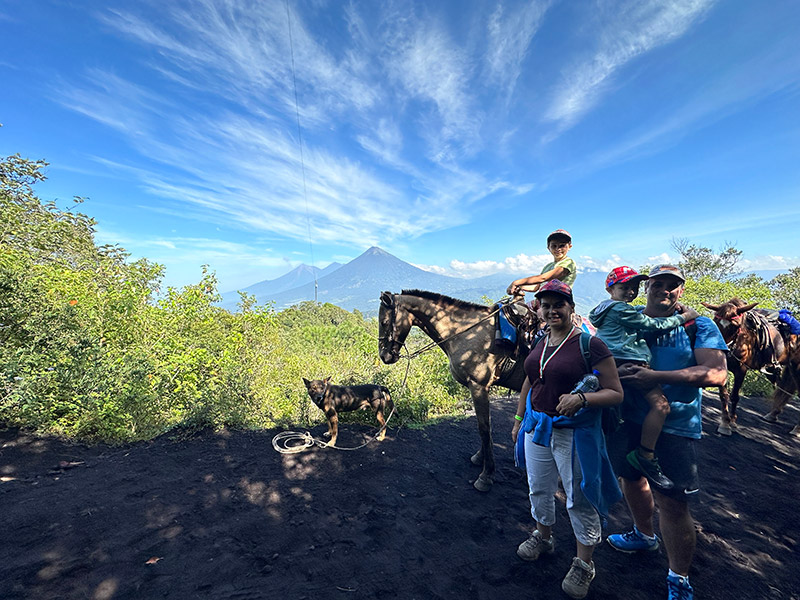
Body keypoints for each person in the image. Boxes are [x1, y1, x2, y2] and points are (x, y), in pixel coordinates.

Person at [605, 264, 727, 600]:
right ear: (647, 288)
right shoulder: (628, 319)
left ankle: (679, 576)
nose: (665, 290)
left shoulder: (698, 325)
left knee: (673, 502)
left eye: (673, 285)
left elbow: (717, 374)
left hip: (674, 426)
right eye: (658, 284)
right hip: (626, 418)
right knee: (631, 478)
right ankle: (643, 534)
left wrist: (655, 377)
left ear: (681, 290)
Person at [511, 280, 623, 600]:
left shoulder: (590, 345)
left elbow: (615, 392)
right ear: (540, 310)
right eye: (545, 305)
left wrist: (582, 400)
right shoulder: (541, 341)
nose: (551, 310)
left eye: (558, 304)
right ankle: (543, 536)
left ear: (571, 308)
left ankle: (584, 564)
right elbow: (530, 383)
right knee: (539, 487)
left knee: (577, 496)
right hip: (538, 427)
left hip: (573, 433)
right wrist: (519, 420)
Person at [588, 266, 700, 490]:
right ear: (610, 288)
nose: (630, 292)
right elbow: (651, 324)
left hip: (610, 361)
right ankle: (645, 455)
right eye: (624, 287)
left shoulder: (603, 308)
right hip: (628, 361)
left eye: (634, 287)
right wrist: (685, 317)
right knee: (661, 406)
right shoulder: (622, 310)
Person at [507, 229, 577, 295]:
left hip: (560, 300)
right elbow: (536, 287)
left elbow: (542, 278)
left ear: (569, 246)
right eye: (554, 246)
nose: (558, 249)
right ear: (548, 248)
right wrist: (519, 287)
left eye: (562, 245)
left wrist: (516, 282)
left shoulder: (568, 263)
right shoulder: (548, 266)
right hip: (544, 300)